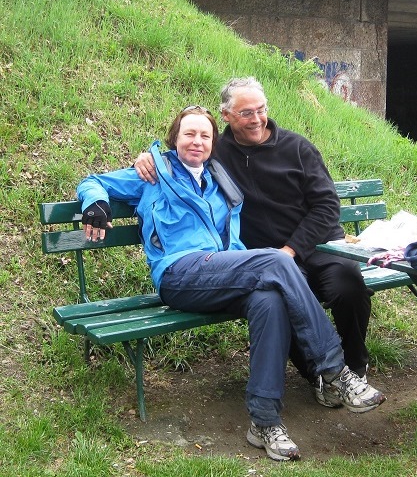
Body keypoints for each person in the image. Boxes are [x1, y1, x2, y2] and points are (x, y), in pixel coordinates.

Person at [77, 106, 385, 462]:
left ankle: (264, 421)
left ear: (214, 143)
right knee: (275, 259)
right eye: (189, 134)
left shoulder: (220, 180)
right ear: (174, 139)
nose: (197, 141)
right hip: (180, 274)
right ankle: (335, 370)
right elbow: (92, 181)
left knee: (269, 300)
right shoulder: (153, 174)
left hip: (222, 274)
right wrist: (96, 204)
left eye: (205, 135)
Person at [134, 77, 374, 408]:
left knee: (349, 284)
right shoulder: (218, 153)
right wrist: (146, 159)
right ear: (227, 115)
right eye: (247, 112)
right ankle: (318, 376)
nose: (257, 119)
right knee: (277, 291)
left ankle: (355, 368)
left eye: (261, 110)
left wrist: (291, 250)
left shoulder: (297, 148)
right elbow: (183, 149)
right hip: (263, 257)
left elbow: (327, 206)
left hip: (314, 246)